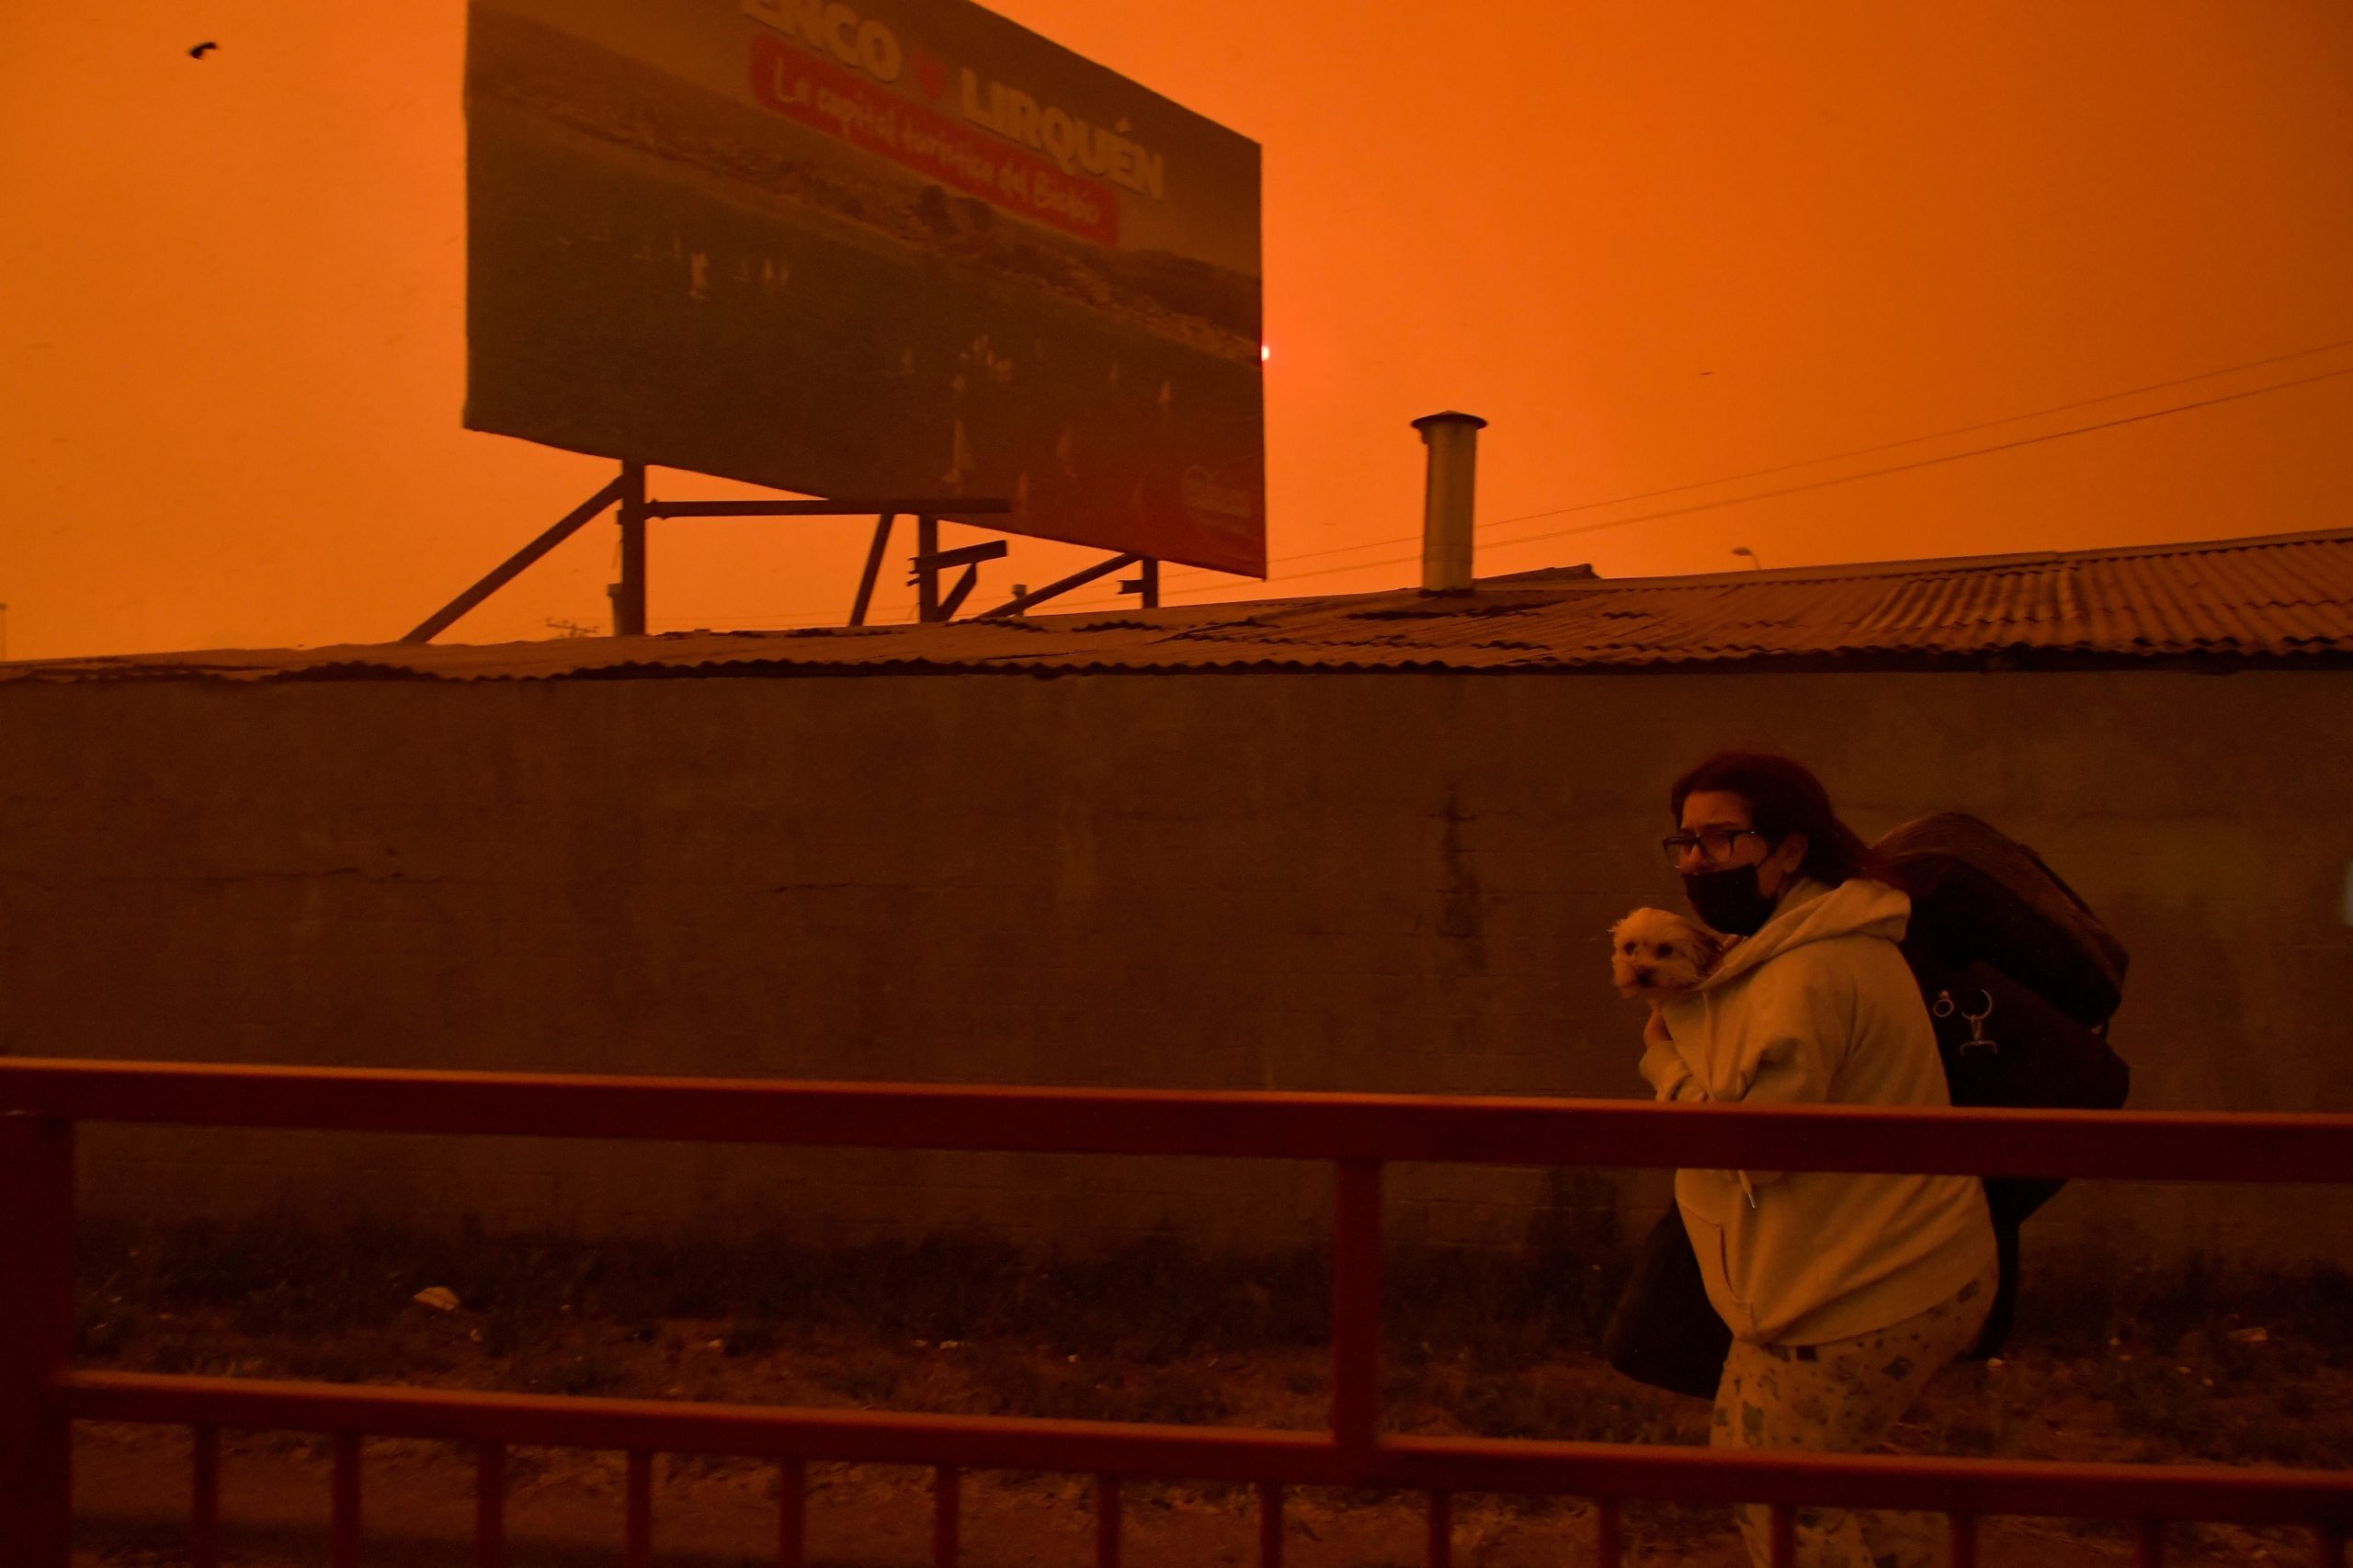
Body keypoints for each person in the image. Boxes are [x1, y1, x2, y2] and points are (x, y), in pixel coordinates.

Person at [1642, 752, 1998, 1568]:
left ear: (1790, 850)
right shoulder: (1808, 942)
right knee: (1830, 1474)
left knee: (1779, 1499)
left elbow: (1758, 1147)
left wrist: (1662, 1063)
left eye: (1721, 839)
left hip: (1859, 1283)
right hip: (1865, 1265)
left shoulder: (1812, 971)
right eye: (1685, 842)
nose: (1696, 862)